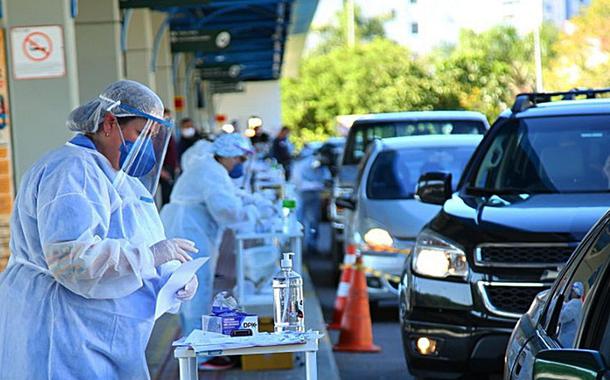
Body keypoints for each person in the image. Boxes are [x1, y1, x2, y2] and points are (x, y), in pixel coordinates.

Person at [0, 80, 200, 379]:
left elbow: (138, 239)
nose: (144, 144)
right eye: (139, 133)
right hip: (64, 326)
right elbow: (71, 260)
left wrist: (171, 276)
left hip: (97, 330)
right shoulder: (71, 170)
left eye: (152, 136)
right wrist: (153, 256)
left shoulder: (118, 176)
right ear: (109, 123)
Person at [160, 133, 258, 371]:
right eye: (238, 159)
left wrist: (250, 201)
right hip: (189, 230)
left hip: (189, 227)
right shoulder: (210, 171)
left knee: (189, 288)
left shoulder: (211, 168)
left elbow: (230, 195)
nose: (239, 165)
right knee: (196, 289)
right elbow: (225, 208)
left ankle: (193, 345)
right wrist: (252, 213)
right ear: (227, 156)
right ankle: (200, 355)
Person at [292, 150, 331, 255]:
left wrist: (325, 184)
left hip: (314, 196)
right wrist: (318, 185)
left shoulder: (322, 166)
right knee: (299, 220)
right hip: (301, 195)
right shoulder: (303, 165)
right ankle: (297, 247)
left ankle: (311, 246)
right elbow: (299, 183)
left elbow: (327, 177)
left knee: (313, 221)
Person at [159, 108, 179, 206]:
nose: (168, 120)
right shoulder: (157, 135)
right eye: (165, 117)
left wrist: (176, 165)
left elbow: (173, 151)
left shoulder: (168, 133)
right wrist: (160, 170)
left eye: (169, 117)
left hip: (170, 167)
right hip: (162, 169)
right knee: (165, 197)